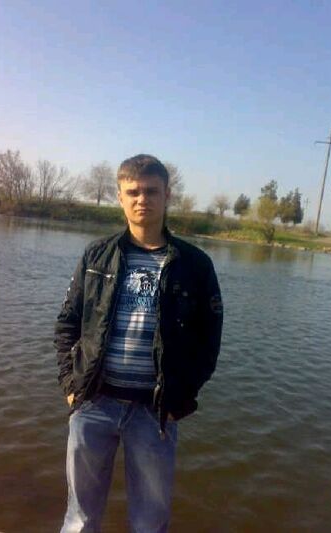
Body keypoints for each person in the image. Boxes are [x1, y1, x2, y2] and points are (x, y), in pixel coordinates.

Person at [55, 154, 223, 533]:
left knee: (150, 522)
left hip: (154, 412)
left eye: (151, 191)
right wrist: (70, 385)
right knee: (80, 518)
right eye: (132, 192)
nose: (141, 199)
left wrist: (182, 398)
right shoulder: (96, 255)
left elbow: (208, 340)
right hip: (93, 403)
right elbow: (67, 323)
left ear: (167, 195)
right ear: (120, 197)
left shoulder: (195, 265)